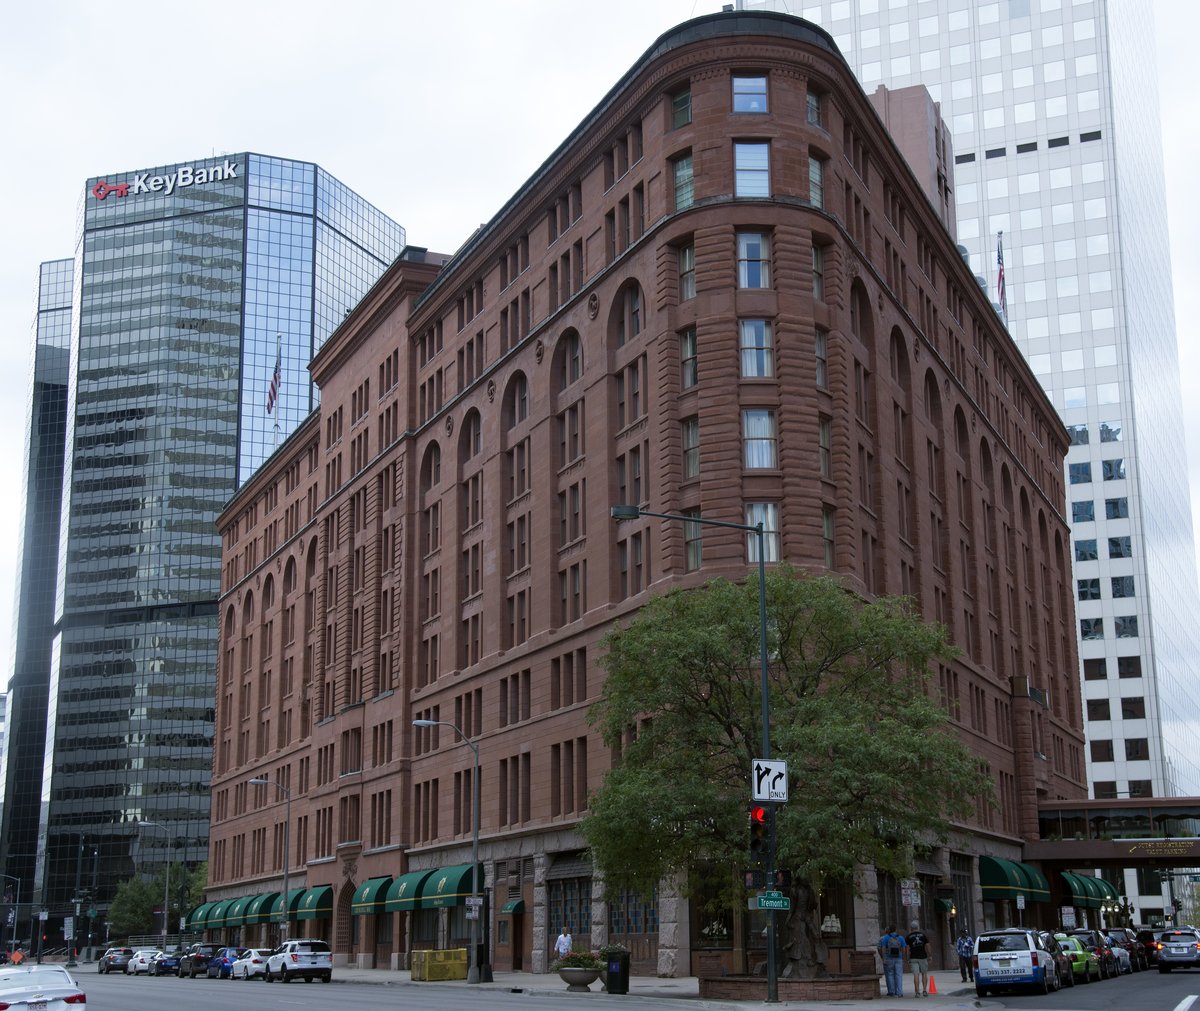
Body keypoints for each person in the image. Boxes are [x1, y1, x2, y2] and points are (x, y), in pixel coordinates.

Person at [878, 924, 907, 997]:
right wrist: (903, 958)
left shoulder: (885, 938)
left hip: (889, 958)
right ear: (896, 929)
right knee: (899, 975)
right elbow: (904, 949)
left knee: (890, 974)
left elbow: (883, 948)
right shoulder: (901, 938)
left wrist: (884, 958)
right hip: (899, 958)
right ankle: (899, 992)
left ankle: (891, 991)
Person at [906, 920, 931, 997]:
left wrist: (907, 958)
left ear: (911, 928)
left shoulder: (908, 937)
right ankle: (924, 991)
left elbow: (907, 949)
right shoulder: (923, 935)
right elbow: (928, 946)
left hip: (913, 957)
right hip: (923, 957)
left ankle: (917, 992)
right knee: (924, 973)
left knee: (916, 975)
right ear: (918, 927)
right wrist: (930, 955)